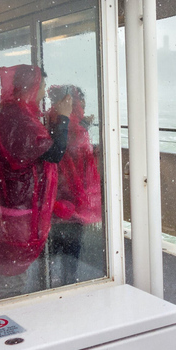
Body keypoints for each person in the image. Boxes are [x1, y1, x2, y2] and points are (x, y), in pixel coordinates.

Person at [0, 65, 72, 298]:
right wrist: (63, 118)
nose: (44, 90)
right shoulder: (19, 119)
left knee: (11, 269)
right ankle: (6, 319)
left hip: (11, 201)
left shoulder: (9, 113)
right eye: (41, 85)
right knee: (13, 273)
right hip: (21, 206)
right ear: (31, 87)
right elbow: (54, 154)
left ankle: (7, 312)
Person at [45, 85, 102, 286]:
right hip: (70, 196)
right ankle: (68, 282)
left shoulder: (52, 118)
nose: (83, 105)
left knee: (54, 244)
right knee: (71, 245)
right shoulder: (71, 125)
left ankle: (50, 279)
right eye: (81, 101)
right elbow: (74, 149)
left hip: (56, 193)